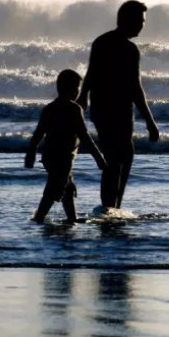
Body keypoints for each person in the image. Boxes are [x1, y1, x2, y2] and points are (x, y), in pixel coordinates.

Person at [78, 0, 160, 210]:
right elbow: (136, 88)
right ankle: (111, 208)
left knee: (119, 157)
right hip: (116, 110)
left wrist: (84, 97)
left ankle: (112, 207)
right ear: (128, 19)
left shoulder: (101, 42)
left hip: (103, 109)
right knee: (118, 159)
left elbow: (90, 74)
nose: (142, 25)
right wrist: (150, 122)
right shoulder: (129, 49)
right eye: (140, 21)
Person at [25, 69, 107, 223]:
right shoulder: (74, 109)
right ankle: (39, 217)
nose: (78, 92)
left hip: (49, 156)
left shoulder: (49, 108)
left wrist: (31, 153)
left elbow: (38, 134)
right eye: (77, 88)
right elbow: (84, 136)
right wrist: (98, 157)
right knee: (55, 188)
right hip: (64, 157)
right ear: (68, 89)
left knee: (67, 188)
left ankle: (71, 218)